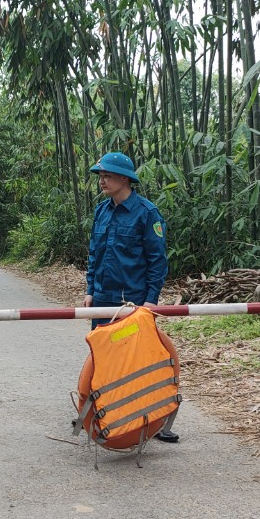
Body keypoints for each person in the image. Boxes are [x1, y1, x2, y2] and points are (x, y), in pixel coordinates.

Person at [83, 151, 178, 443]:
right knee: (102, 359)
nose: (103, 181)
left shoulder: (147, 213)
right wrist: (89, 290)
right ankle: (99, 416)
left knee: (138, 363)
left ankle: (153, 422)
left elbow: (157, 260)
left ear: (125, 178)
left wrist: (151, 300)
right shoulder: (102, 211)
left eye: (108, 175)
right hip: (101, 299)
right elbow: (94, 254)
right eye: (100, 176)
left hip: (132, 302)